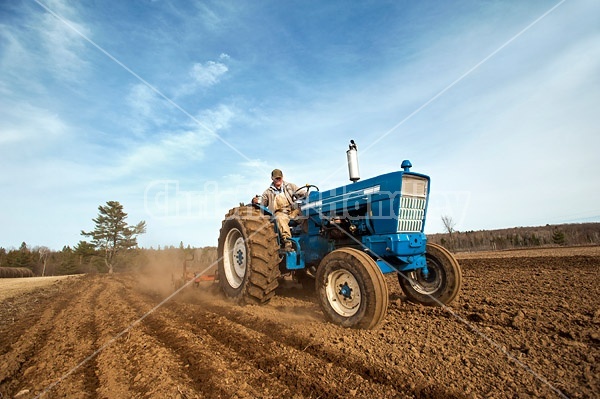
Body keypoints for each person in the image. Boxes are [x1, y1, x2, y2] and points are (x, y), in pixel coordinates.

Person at [252, 169, 307, 251]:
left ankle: (311, 238)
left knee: (307, 218)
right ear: (272, 178)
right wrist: (256, 201)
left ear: (282, 177)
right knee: (280, 219)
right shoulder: (268, 192)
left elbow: (302, 193)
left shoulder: (290, 186)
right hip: (280, 212)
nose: (278, 180)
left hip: (293, 211)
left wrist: (309, 195)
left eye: (279, 178)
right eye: (276, 178)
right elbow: (263, 203)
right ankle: (288, 242)